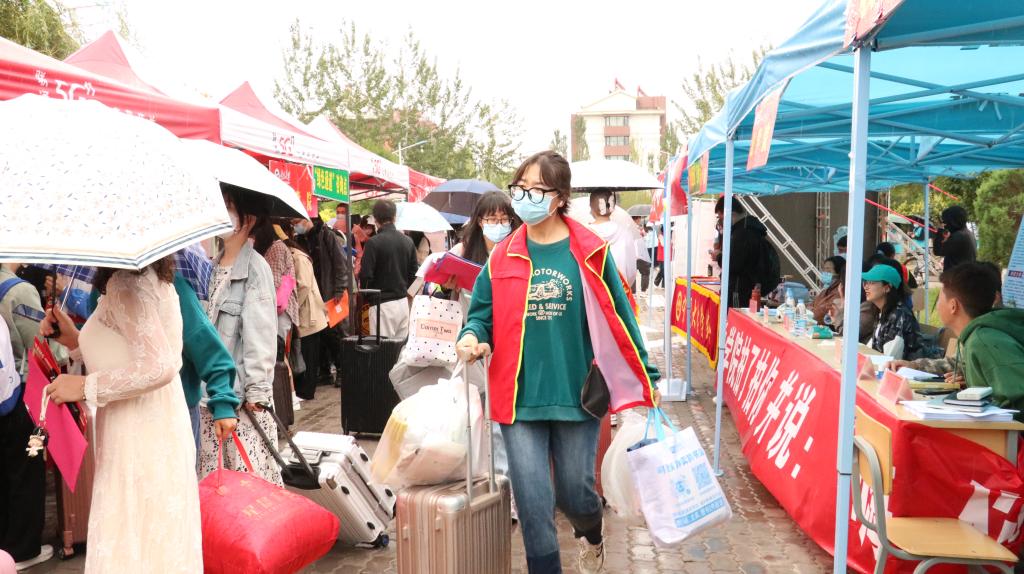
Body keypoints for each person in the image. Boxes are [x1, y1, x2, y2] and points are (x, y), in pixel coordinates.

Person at [455, 151, 660, 574]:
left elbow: (621, 317)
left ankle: (591, 531)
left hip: (577, 393)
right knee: (533, 504)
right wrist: (471, 336)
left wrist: (646, 375)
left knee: (574, 493)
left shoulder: (590, 252)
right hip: (518, 398)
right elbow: (480, 314)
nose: (524, 197)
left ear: (560, 197)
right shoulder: (503, 256)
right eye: (520, 188)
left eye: (536, 189)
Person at [40, 258, 202, 572]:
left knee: (134, 542)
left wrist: (84, 386)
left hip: (137, 428)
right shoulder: (148, 278)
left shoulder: (126, 283)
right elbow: (127, 351)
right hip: (156, 422)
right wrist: (74, 338)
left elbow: (158, 367)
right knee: (152, 543)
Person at [198, 191, 282, 486]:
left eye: (229, 207)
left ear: (249, 219)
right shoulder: (210, 266)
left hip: (241, 402)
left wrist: (257, 391)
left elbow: (261, 335)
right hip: (210, 397)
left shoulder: (255, 269)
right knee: (216, 484)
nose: (222, 213)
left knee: (247, 486)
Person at [888, 262, 1024, 417]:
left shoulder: (983, 341)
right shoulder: (975, 336)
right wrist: (914, 365)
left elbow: (1018, 399)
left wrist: (979, 399)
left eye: (939, 298)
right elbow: (959, 364)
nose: (937, 305)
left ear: (953, 306)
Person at [0, 267, 51, 570]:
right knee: (27, 469)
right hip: (24, 397)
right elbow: (41, 346)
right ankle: (23, 549)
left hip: (4, 395)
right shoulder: (18, 291)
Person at [281, 221, 329, 401]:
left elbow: (303, 285)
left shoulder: (297, 256)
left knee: (308, 352)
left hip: (309, 313)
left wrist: (292, 305)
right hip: (306, 313)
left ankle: (307, 390)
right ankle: (305, 389)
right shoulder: (292, 253)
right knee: (305, 351)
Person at [300, 217, 351, 383]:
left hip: (329, 293)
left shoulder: (327, 235)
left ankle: (342, 369)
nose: (295, 225)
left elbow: (340, 263)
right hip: (314, 293)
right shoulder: (301, 238)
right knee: (320, 334)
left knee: (333, 333)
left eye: (297, 221)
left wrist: (339, 289)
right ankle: (325, 371)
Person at [359, 200, 418, 337]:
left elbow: (366, 275)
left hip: (381, 305)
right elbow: (414, 274)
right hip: (403, 303)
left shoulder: (373, 243)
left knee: (383, 348)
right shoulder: (408, 241)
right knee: (400, 347)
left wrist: (367, 296)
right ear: (394, 217)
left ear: (375, 219)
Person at [715, 196, 781, 307]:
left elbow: (733, 264)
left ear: (730, 213)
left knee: (735, 316)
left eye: (720, 217)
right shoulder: (751, 229)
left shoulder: (742, 234)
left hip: (739, 292)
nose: (720, 221)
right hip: (749, 290)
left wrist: (719, 257)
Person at [253, 219, 300, 342]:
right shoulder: (276, 247)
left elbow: (275, 283)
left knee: (277, 348)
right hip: (279, 310)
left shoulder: (275, 248)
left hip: (279, 311)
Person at [861, 263, 921, 359]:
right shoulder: (881, 311)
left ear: (887, 287)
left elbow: (889, 358)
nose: (866, 287)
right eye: (865, 282)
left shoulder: (899, 315)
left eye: (872, 282)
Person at [586, 190, 639, 289]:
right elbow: (631, 269)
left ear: (591, 207)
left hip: (591, 290)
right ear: (612, 207)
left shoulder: (584, 233)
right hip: (619, 289)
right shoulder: (625, 233)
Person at [933, 205, 977, 272]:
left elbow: (937, 251)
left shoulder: (959, 236)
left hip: (958, 276)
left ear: (953, 221)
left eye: (945, 222)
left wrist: (940, 231)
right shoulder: (967, 234)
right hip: (964, 275)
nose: (945, 225)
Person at [811, 256, 845, 324]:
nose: (825, 272)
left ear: (839, 273)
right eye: (824, 269)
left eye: (828, 270)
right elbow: (813, 304)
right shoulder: (826, 290)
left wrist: (810, 313)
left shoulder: (840, 291)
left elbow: (821, 314)